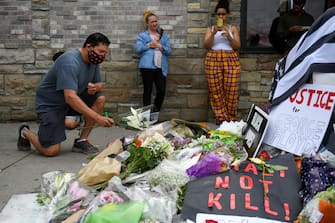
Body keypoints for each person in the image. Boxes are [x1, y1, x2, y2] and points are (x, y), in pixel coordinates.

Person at [17, 32, 115, 156]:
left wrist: (95, 87)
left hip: (72, 98)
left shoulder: (93, 61)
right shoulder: (70, 62)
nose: (103, 56)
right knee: (51, 150)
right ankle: (25, 132)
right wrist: (98, 118)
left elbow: (100, 83)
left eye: (105, 53)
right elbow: (70, 97)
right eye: (101, 52)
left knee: (100, 98)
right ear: (89, 47)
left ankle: (82, 140)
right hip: (51, 104)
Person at [203, 0, 241, 124]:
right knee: (215, 91)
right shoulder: (211, 28)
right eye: (218, 14)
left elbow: (237, 46)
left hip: (230, 58)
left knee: (231, 90)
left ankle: (231, 119)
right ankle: (221, 119)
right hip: (213, 58)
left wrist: (229, 36)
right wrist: (214, 33)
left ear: (227, 15)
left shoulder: (232, 28)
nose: (220, 17)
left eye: (223, 14)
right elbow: (206, 45)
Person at [135, 10, 172, 112]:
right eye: (152, 22)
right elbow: (138, 49)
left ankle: (154, 113)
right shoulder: (142, 36)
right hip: (147, 67)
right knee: (148, 91)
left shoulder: (163, 36)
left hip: (161, 67)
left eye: (156, 21)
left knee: (161, 91)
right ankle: (146, 116)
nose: (155, 23)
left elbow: (169, 51)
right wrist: (149, 44)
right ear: (147, 23)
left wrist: (160, 46)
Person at [52, 51, 81, 129]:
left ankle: (78, 118)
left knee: (68, 124)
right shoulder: (52, 76)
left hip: (71, 109)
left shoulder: (74, 73)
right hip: (56, 108)